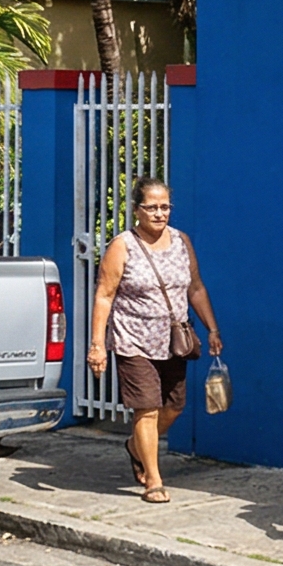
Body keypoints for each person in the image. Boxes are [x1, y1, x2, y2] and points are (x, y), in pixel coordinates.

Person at [86, 178, 222, 503]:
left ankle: (135, 446)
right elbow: (105, 295)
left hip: (174, 340)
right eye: (152, 207)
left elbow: (196, 288)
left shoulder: (181, 242)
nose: (159, 214)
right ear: (137, 210)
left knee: (174, 406)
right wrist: (97, 345)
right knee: (146, 409)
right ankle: (154, 480)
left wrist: (212, 328)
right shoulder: (123, 246)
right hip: (134, 339)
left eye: (165, 207)